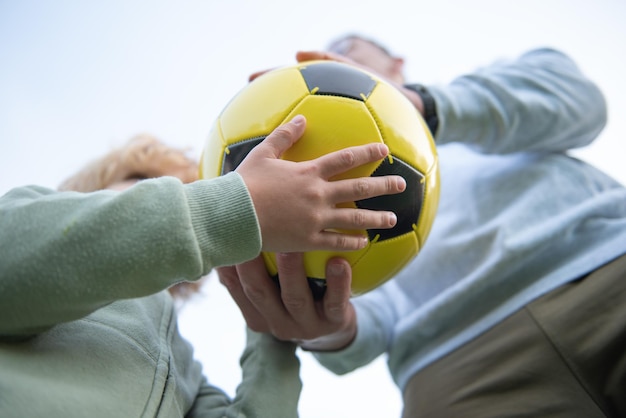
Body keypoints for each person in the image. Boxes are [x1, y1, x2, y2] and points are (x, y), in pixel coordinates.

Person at [218, 35, 626, 417]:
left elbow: (580, 103)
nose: (335, 59)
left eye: (348, 48)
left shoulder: (479, 103)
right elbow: (368, 319)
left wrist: (422, 106)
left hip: (604, 273)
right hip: (454, 363)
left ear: (396, 63)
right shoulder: (314, 190)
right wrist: (329, 330)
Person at [0, 115, 407, 417]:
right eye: (152, 185)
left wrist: (273, 329)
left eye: (194, 193)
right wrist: (231, 209)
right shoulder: (29, 212)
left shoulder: (184, 369)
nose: (186, 197)